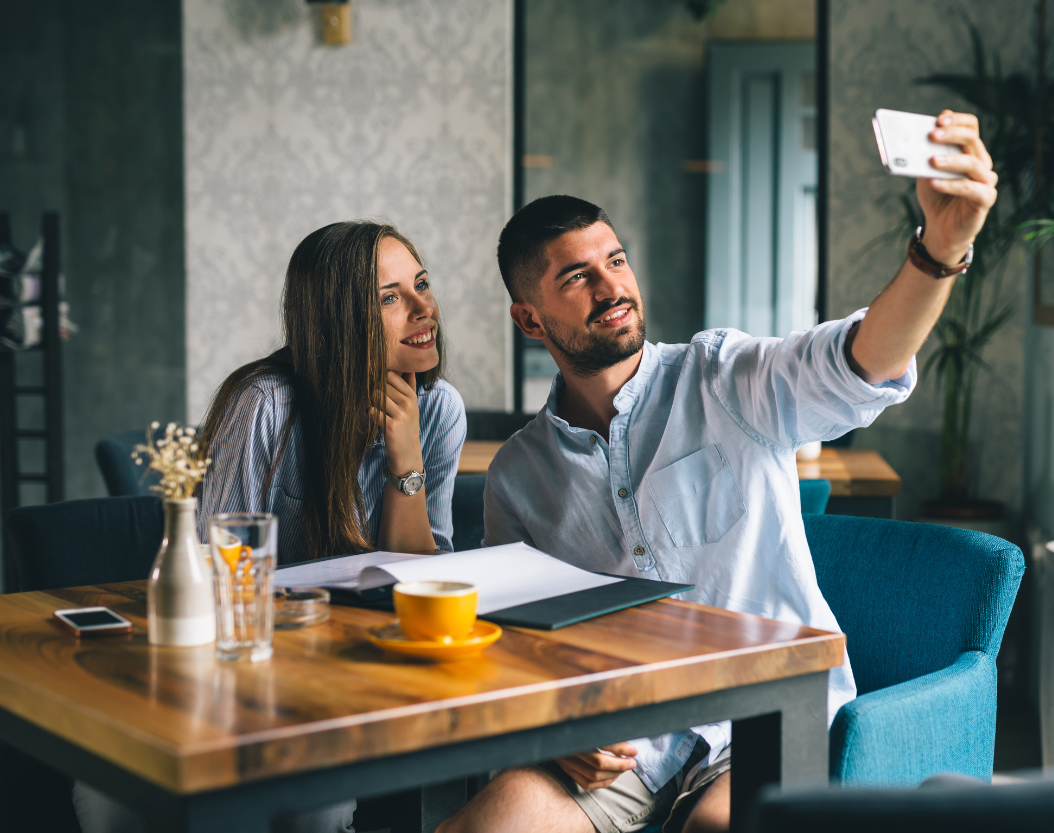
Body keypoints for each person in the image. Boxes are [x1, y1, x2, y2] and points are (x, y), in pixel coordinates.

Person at [438, 111, 997, 833]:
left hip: (767, 716)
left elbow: (864, 362)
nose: (611, 286)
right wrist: (556, 727)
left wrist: (941, 248)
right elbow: (512, 642)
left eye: (616, 259)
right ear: (529, 319)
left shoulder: (726, 378)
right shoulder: (518, 474)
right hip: (621, 744)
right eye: (576, 276)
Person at [73, 220, 467, 833]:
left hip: (360, 679)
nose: (425, 308)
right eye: (390, 297)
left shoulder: (439, 410)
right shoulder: (267, 405)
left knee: (319, 804)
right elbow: (213, 573)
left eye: (421, 285)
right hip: (240, 679)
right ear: (340, 320)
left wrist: (405, 461)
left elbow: (418, 586)